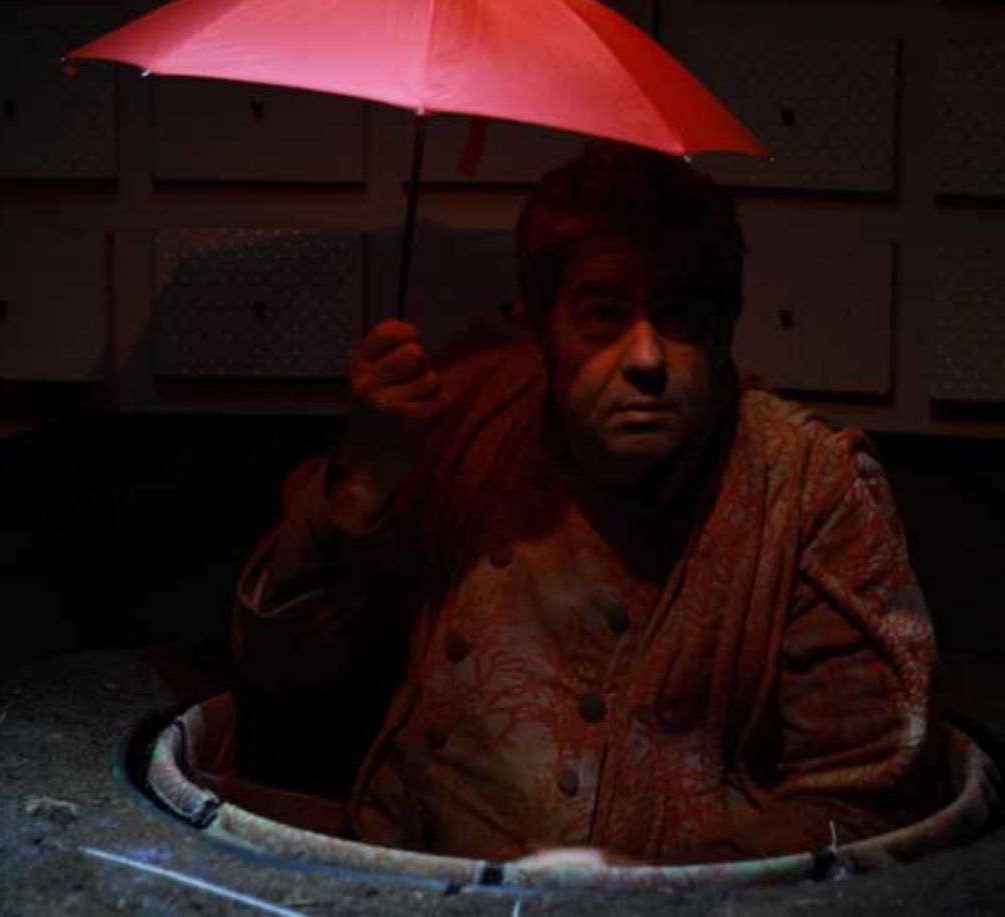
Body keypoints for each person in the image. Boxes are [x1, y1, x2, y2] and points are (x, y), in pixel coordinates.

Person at [231, 143, 949, 864]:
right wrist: (360, 481)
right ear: (541, 331)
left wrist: (641, 886)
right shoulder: (469, 416)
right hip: (393, 872)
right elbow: (278, 679)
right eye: (604, 315)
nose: (646, 358)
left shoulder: (808, 487)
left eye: (679, 315)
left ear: (725, 326)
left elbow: (867, 802)